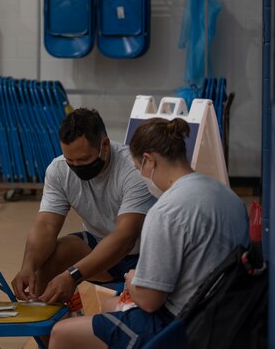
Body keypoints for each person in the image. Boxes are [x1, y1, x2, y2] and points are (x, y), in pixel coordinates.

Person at [48, 117, 250, 349]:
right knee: (108, 305)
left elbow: (149, 301)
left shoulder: (166, 210)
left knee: (62, 333)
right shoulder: (228, 196)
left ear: (148, 161)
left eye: (137, 168)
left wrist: (132, 279)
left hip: (181, 326)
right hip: (229, 315)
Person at [11, 108, 156, 305]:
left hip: (144, 255)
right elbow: (46, 224)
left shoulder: (132, 169)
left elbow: (125, 238)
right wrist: (28, 265)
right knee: (43, 264)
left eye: (84, 159)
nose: (77, 166)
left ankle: (77, 329)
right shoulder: (59, 169)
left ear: (104, 145)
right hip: (100, 247)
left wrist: (73, 275)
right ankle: (52, 331)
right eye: (70, 160)